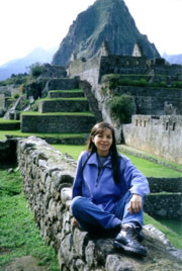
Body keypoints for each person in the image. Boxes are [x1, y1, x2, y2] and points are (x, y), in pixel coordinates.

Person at [71, 122, 150, 257]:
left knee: (134, 192)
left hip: (114, 209)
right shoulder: (84, 158)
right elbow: (77, 188)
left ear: (113, 140)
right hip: (92, 217)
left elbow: (139, 177)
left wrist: (137, 193)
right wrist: (76, 214)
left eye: (109, 137)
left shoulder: (121, 161)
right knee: (76, 203)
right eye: (100, 136)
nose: (104, 140)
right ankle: (123, 227)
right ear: (92, 138)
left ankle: (125, 231)